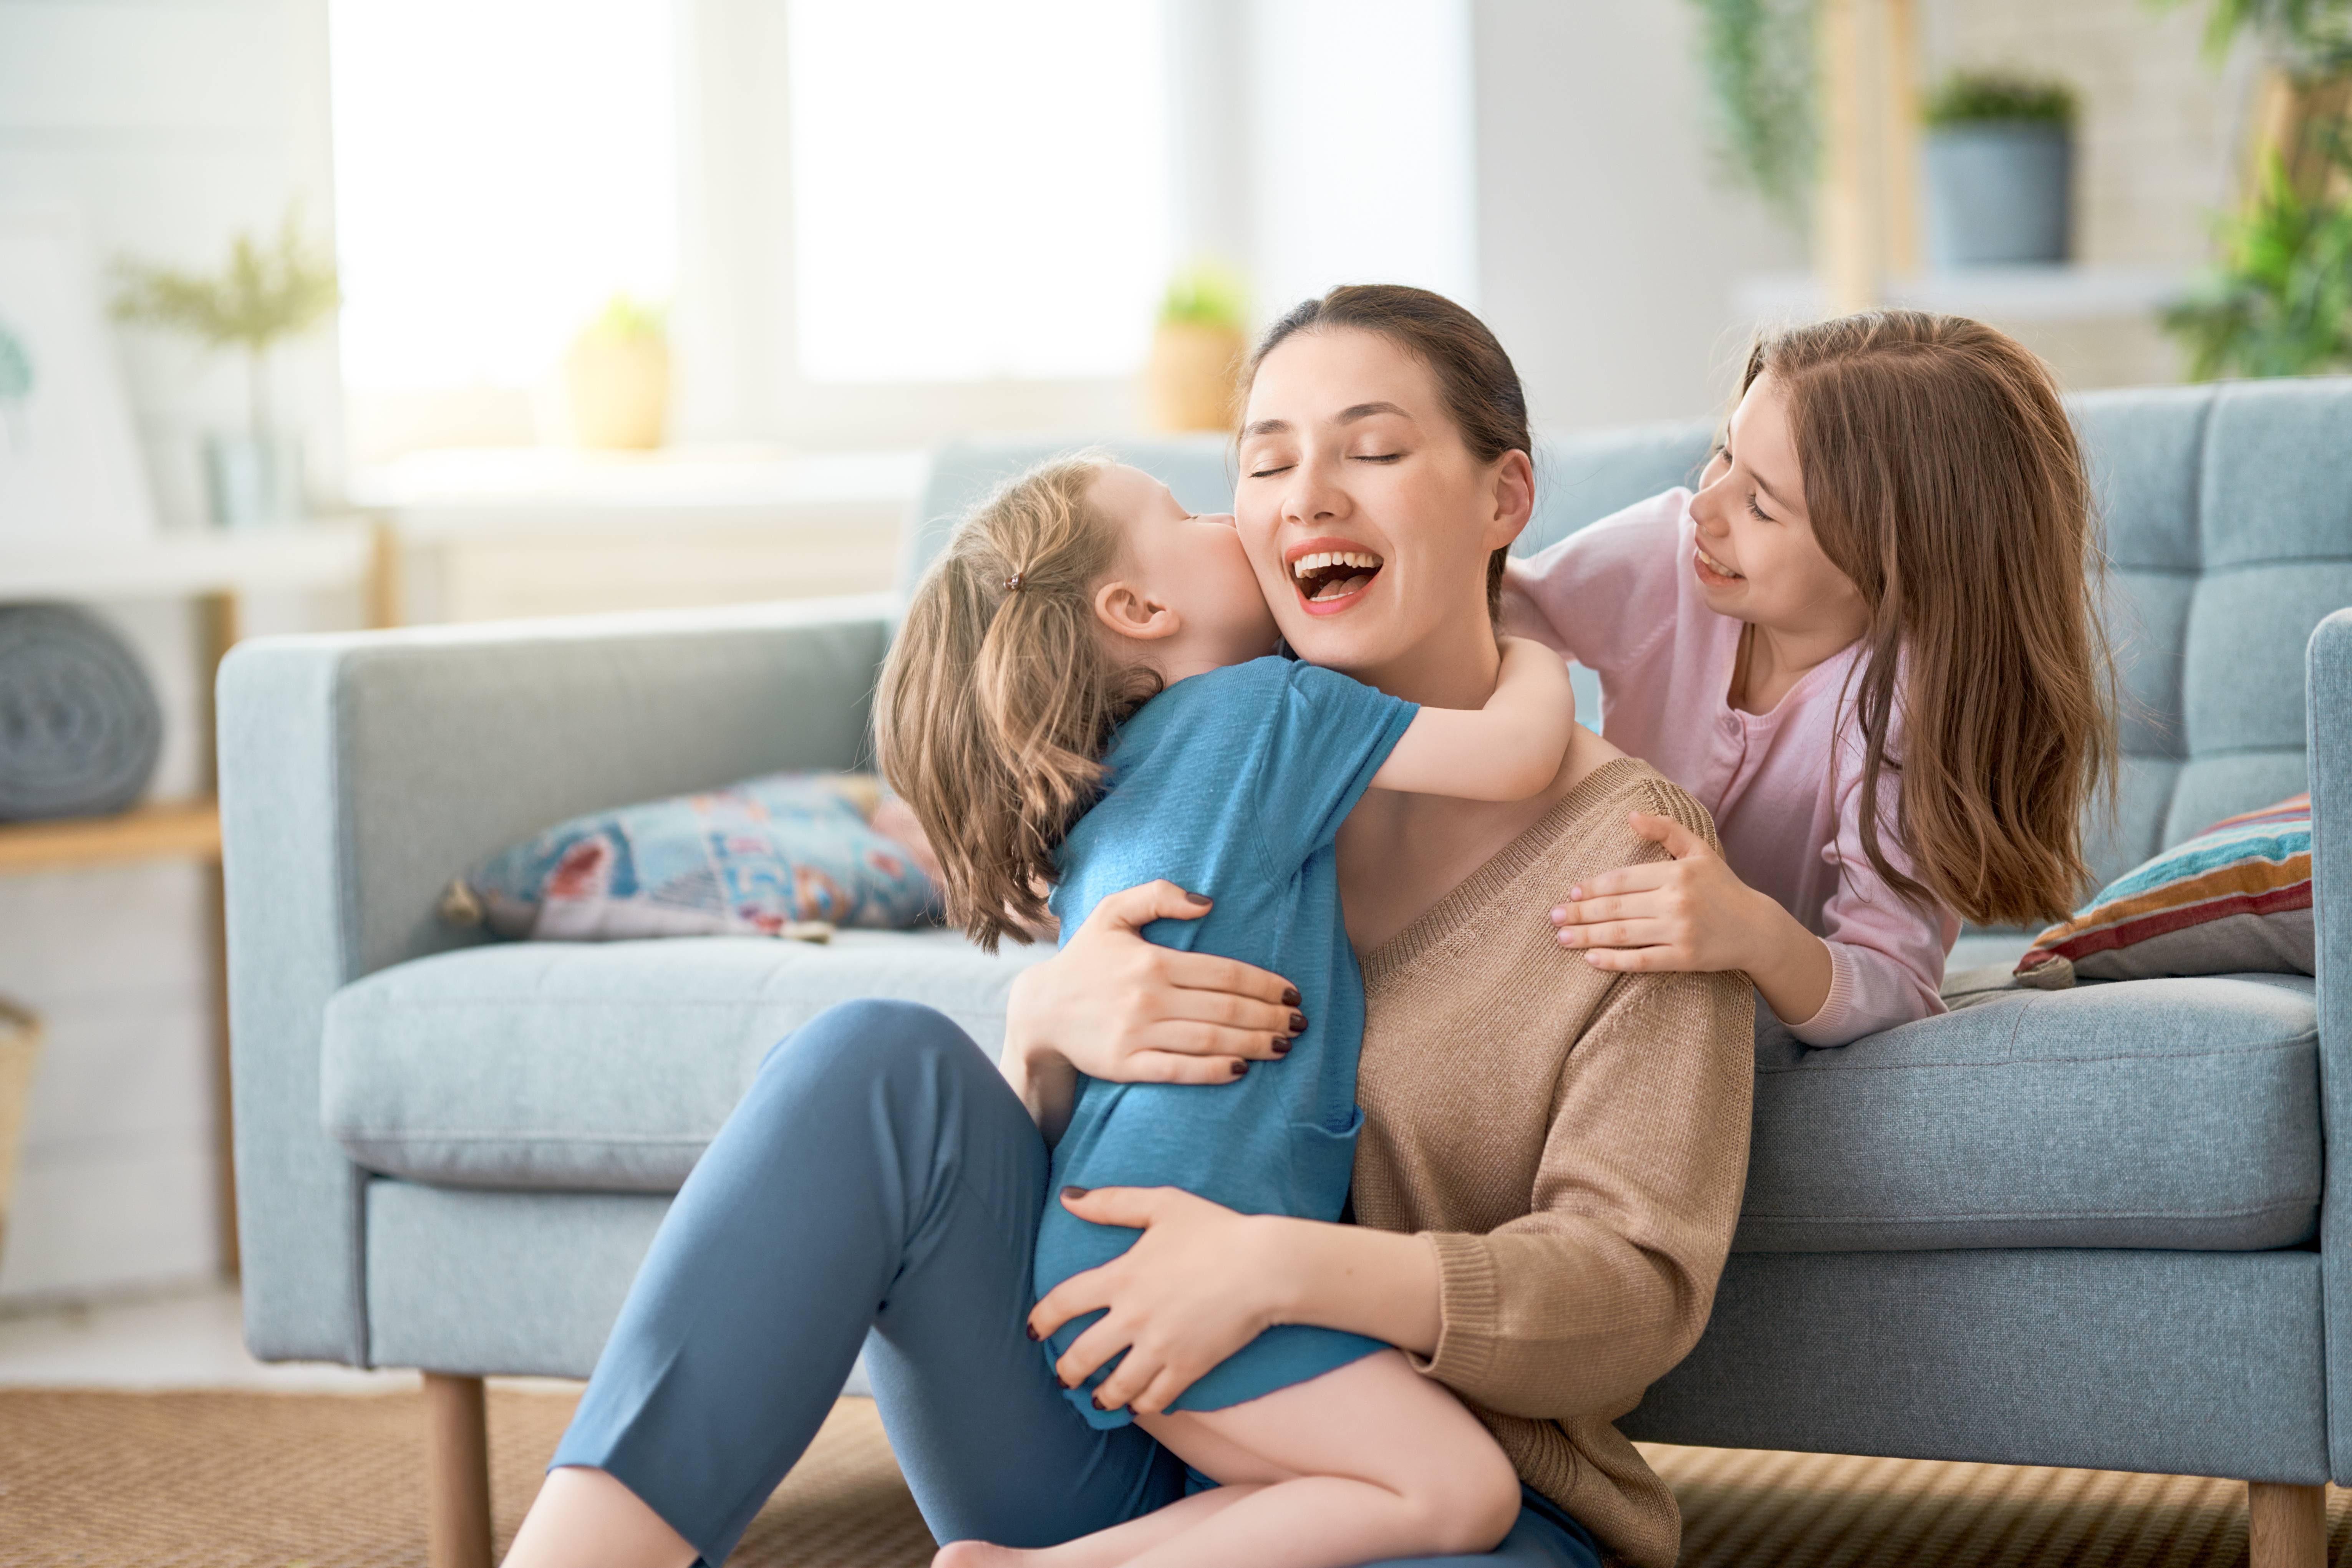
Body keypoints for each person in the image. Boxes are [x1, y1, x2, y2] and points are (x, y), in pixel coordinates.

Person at [501, 285, 1754, 1568]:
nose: (1303, 498)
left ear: (1503, 501)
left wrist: (1280, 1270)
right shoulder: (1200, 778)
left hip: (1437, 1507)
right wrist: (1043, 1032)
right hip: (1107, 1449)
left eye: (1372, 452)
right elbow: (1103, 1168)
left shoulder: (1636, 857)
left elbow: (1631, 1289)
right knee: (869, 1065)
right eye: (1262, 464)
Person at [872, 449, 1578, 1568]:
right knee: (1460, 1492)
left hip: (1106, 1246)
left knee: (1348, 1485)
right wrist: (1536, 653)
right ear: (1138, 607)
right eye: (1189, 512)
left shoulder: (1108, 796)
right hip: (1187, 1259)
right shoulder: (1268, 714)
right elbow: (1518, 755)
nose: (1232, 522)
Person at [1510, 310, 2113, 1045]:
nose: (1704, 506)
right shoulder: (1669, 556)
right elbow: (1495, 615)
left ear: (1889, 569)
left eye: (1760, 504)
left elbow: (1893, 983)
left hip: (1698, 1038)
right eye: (1725, 456)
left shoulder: (1896, 714)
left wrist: (1753, 933)